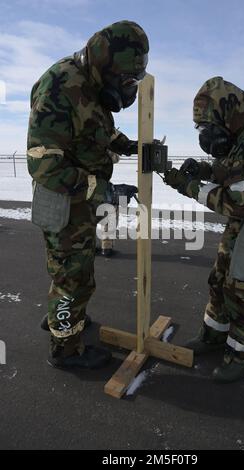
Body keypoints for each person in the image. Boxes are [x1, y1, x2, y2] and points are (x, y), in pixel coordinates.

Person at [27, 21, 149, 369]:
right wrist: (106, 191)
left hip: (81, 202)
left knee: (68, 272)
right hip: (62, 201)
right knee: (74, 277)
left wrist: (131, 146)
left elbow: (99, 130)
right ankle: (65, 348)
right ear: (106, 66)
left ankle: (62, 318)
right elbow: (46, 169)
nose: (127, 89)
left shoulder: (91, 87)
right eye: (126, 80)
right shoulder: (59, 86)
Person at [164, 76, 244, 383]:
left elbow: (238, 202)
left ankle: (241, 354)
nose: (207, 135)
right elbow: (233, 169)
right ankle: (213, 335)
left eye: (210, 127)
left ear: (228, 114)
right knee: (220, 279)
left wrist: (188, 185)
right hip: (243, 224)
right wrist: (207, 170)